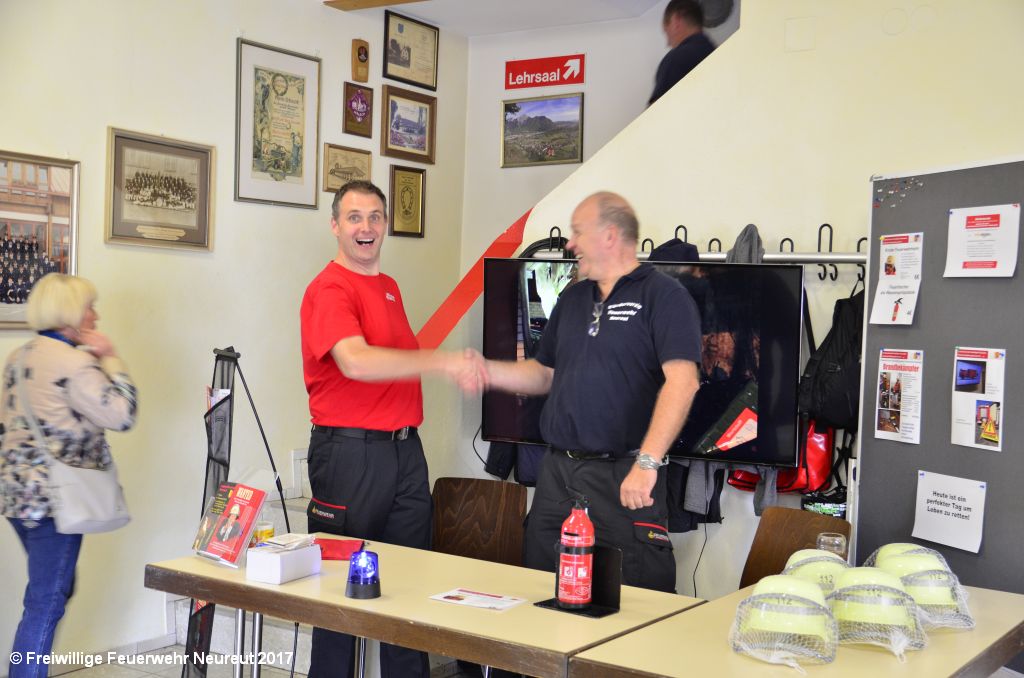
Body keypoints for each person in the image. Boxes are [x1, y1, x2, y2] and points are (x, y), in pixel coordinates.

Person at [478, 192, 702, 592]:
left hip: (625, 475)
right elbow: (544, 374)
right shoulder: (574, 298)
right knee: (541, 591)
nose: (570, 243)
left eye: (578, 232)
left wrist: (647, 464)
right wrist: (487, 372)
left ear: (610, 235)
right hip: (557, 476)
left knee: (633, 602)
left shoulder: (663, 296)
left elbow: (683, 381)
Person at [300, 180, 478, 678]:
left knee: (408, 593)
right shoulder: (329, 288)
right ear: (335, 226)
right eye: (354, 217)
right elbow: (355, 361)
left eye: (375, 217)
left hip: (404, 452)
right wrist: (441, 361)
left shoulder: (389, 287)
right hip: (350, 456)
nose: (367, 227)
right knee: (339, 598)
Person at [1, 273, 137, 678]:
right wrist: (112, 358)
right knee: (46, 601)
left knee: (52, 589)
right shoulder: (76, 363)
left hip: (17, 496)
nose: (95, 316)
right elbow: (123, 414)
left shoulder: (18, 357)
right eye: (89, 307)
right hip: (57, 500)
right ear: (71, 313)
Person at [648, 0, 715, 105]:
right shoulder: (715, 52)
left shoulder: (675, 59)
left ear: (676, 20)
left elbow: (656, 112)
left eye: (666, 32)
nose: (668, 43)